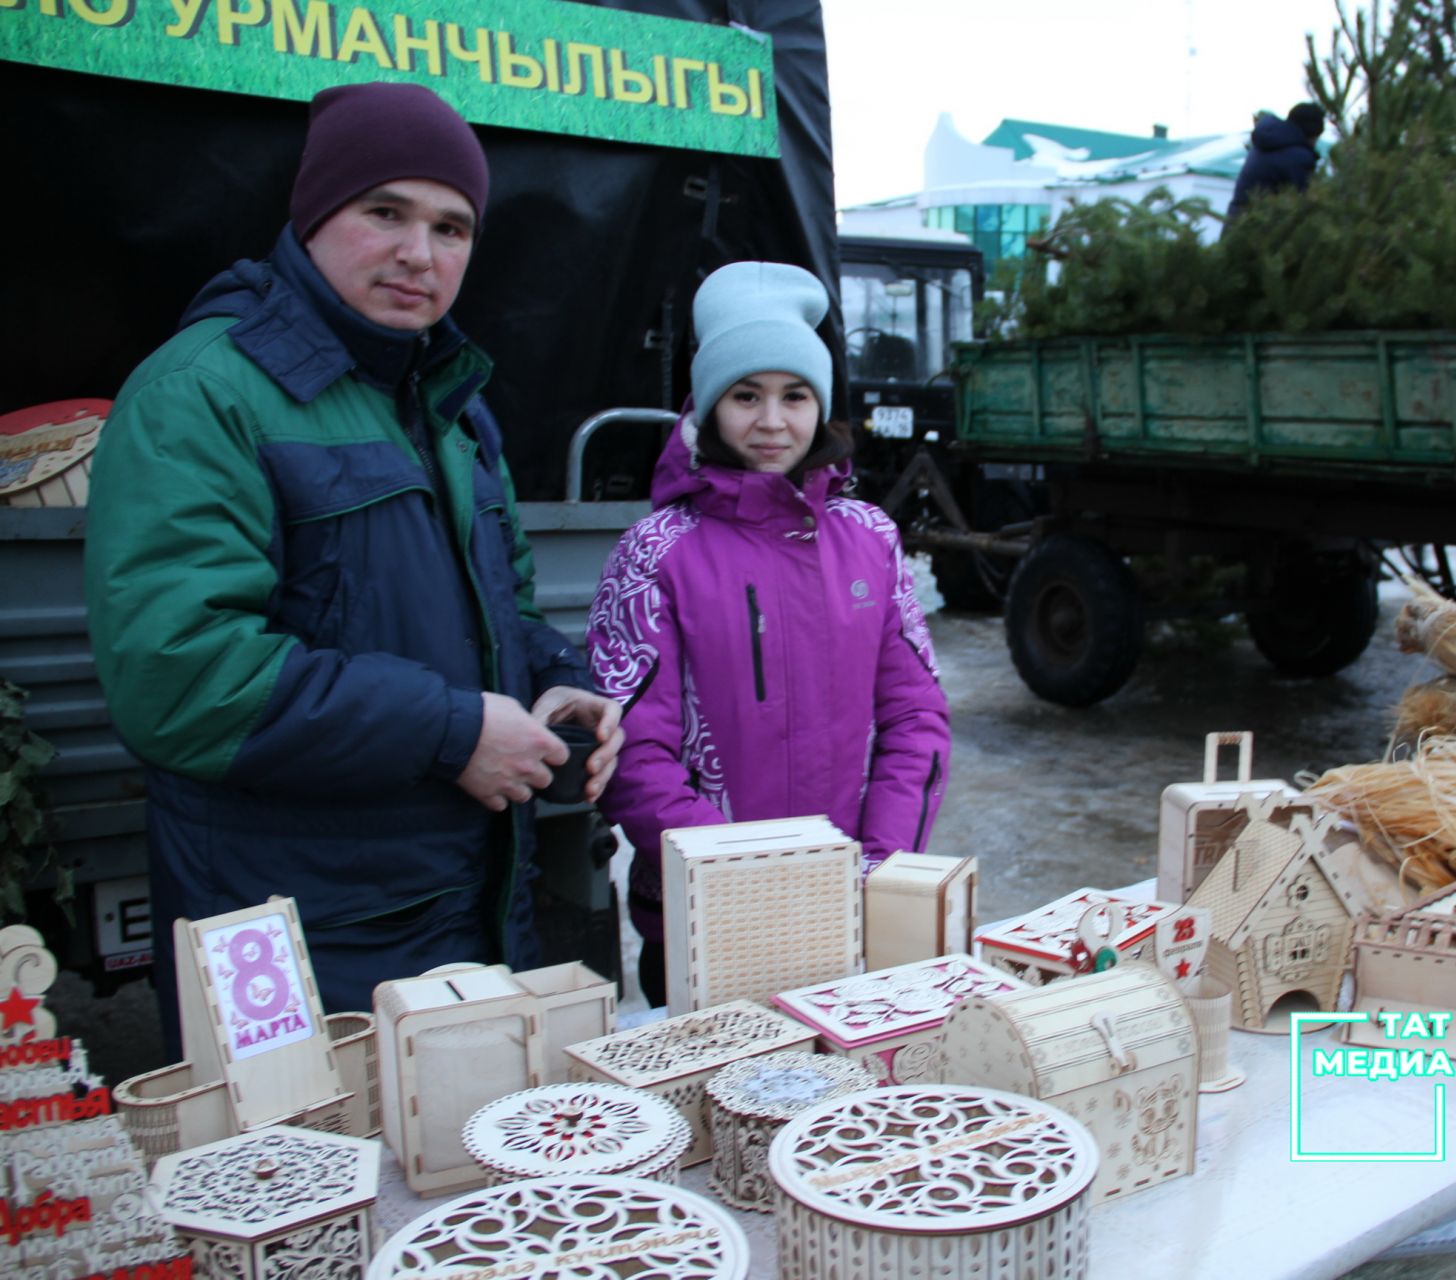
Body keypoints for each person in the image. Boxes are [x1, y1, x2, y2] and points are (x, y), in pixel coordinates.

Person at [83, 82, 623, 1031]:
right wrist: (453, 732)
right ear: (315, 213)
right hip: (294, 938)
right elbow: (181, 681)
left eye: (452, 227)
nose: (420, 254)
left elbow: (508, 613)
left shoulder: (454, 406)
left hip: (469, 912)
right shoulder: (202, 394)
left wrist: (562, 682)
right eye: (386, 213)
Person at [586, 261, 951, 1005]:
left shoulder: (870, 540)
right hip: (703, 919)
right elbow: (631, 751)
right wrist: (753, 883)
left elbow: (915, 718)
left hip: (850, 908)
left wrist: (880, 866)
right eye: (745, 395)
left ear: (822, 405)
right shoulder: (655, 551)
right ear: (709, 404)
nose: (773, 421)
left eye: (796, 395)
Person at [1225, 102, 1327, 221]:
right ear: (1313, 133)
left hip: (1237, 220)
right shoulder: (1300, 157)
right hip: (1267, 227)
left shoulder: (1265, 142)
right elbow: (1305, 199)